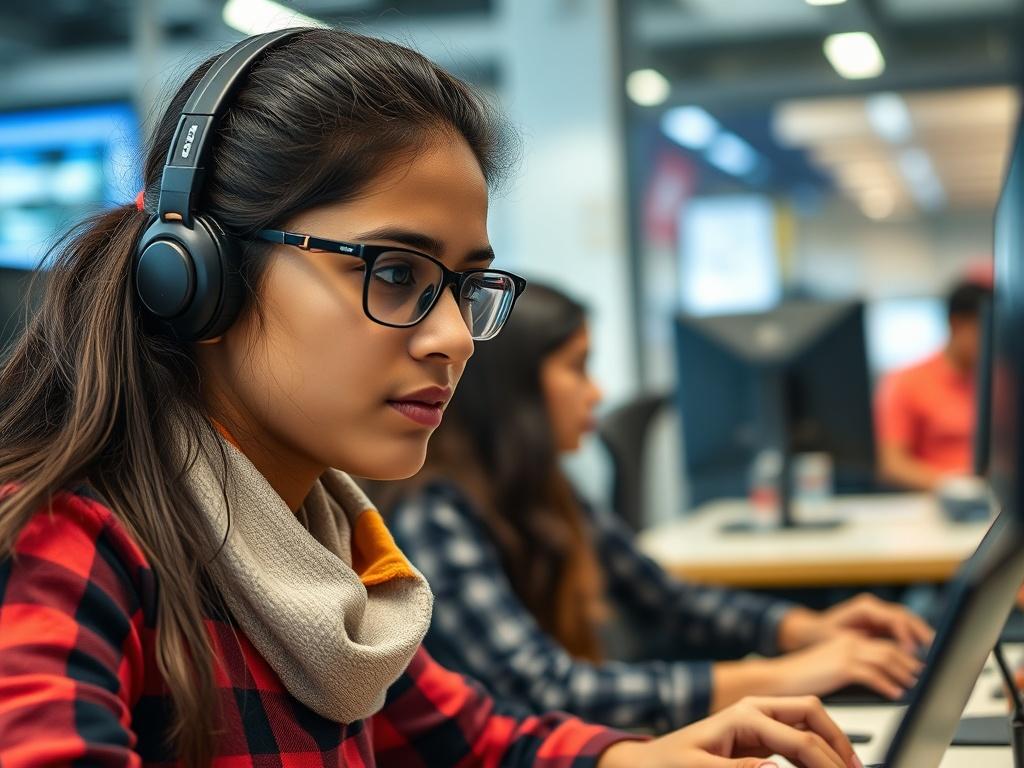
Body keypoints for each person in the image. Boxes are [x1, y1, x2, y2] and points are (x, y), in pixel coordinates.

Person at [0, 28, 861, 768]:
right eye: (397, 272)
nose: (452, 336)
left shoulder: (318, 547)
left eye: (466, 286)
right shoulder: (59, 545)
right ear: (196, 277)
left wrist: (642, 754)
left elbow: (482, 744)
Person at [379, 282, 933, 734]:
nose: (596, 393)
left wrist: (804, 630)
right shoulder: (434, 512)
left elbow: (666, 598)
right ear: (514, 389)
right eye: (578, 368)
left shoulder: (547, 489)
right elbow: (547, 690)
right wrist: (786, 675)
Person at [875, 280, 993, 491]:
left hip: (996, 499)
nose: (993, 342)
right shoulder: (907, 381)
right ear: (957, 325)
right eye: (986, 332)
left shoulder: (1000, 384)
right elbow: (891, 464)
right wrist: (953, 486)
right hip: (937, 501)